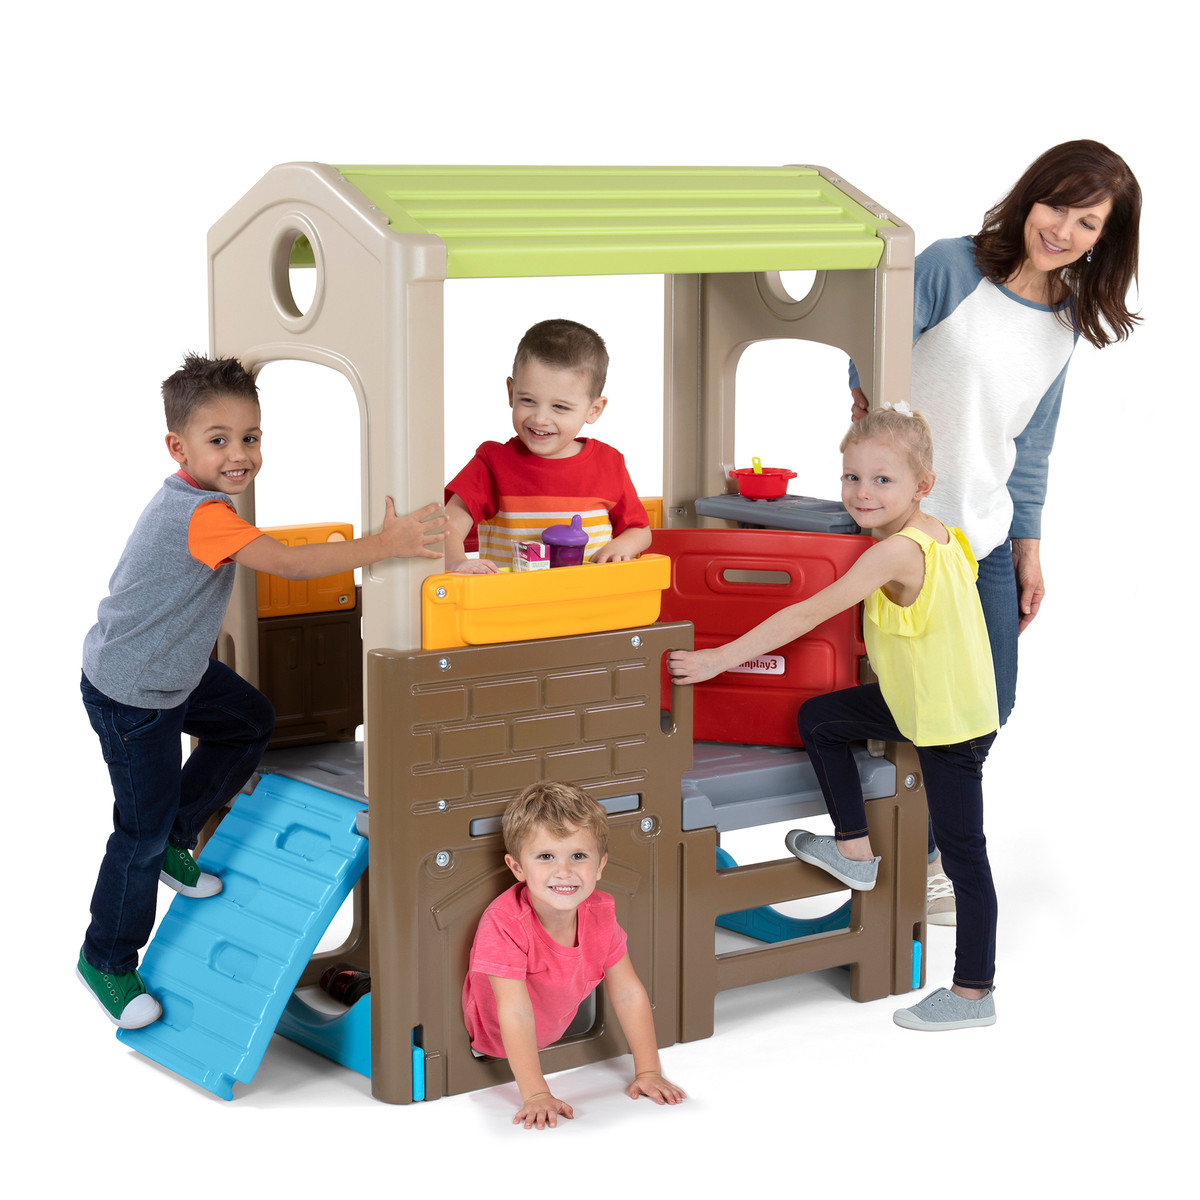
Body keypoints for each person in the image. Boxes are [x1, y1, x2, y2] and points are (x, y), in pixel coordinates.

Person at [78, 353, 446, 1029]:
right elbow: (295, 565)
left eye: (251, 437)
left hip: (174, 673)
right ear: (177, 447)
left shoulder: (204, 503)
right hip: (135, 695)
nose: (239, 454)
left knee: (248, 721)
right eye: (218, 440)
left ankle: (179, 840)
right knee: (138, 828)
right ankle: (106, 959)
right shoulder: (202, 515)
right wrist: (386, 543)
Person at [849, 140, 1141, 923]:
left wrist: (1030, 546)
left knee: (990, 701)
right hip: (908, 535)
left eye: (1089, 222)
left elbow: (1031, 440)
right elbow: (869, 366)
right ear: (1029, 196)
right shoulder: (951, 267)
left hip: (983, 540)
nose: (1064, 231)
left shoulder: (1067, 319)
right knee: (900, 693)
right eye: (1058, 206)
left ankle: (925, 847)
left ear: (1105, 239)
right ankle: (891, 839)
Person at [669, 405, 999, 1030]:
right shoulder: (943, 534)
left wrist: (719, 660)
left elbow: (805, 616)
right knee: (821, 717)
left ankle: (973, 992)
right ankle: (853, 848)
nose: (861, 493)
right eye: (851, 478)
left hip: (949, 724)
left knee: (963, 854)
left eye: (882, 480)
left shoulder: (894, 554)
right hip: (922, 701)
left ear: (921, 486)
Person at [462, 781, 686, 1128]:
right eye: (546, 856)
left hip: (551, 1029)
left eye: (578, 856)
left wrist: (648, 1070)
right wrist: (536, 1093)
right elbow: (515, 1010)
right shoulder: (505, 922)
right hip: (491, 1042)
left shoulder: (601, 911)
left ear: (600, 865)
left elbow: (628, 993)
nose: (563, 871)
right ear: (518, 867)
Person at [443, 318, 651, 572]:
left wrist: (621, 547)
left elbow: (639, 530)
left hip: (591, 605)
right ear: (511, 392)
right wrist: (457, 562)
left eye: (560, 407)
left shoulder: (609, 463)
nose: (540, 418)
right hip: (510, 607)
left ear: (594, 410)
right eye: (528, 400)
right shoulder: (492, 463)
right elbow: (447, 524)